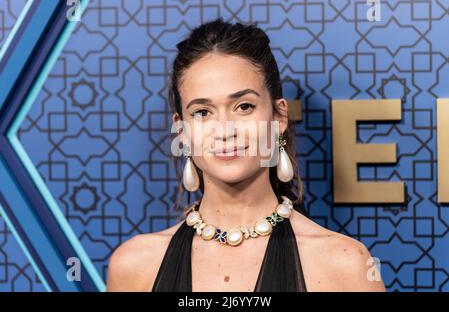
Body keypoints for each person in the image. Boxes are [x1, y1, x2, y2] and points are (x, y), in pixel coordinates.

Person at [106, 18, 386, 292]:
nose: (225, 131)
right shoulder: (135, 266)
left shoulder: (345, 265)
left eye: (244, 107)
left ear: (279, 116)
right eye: (202, 112)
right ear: (181, 130)